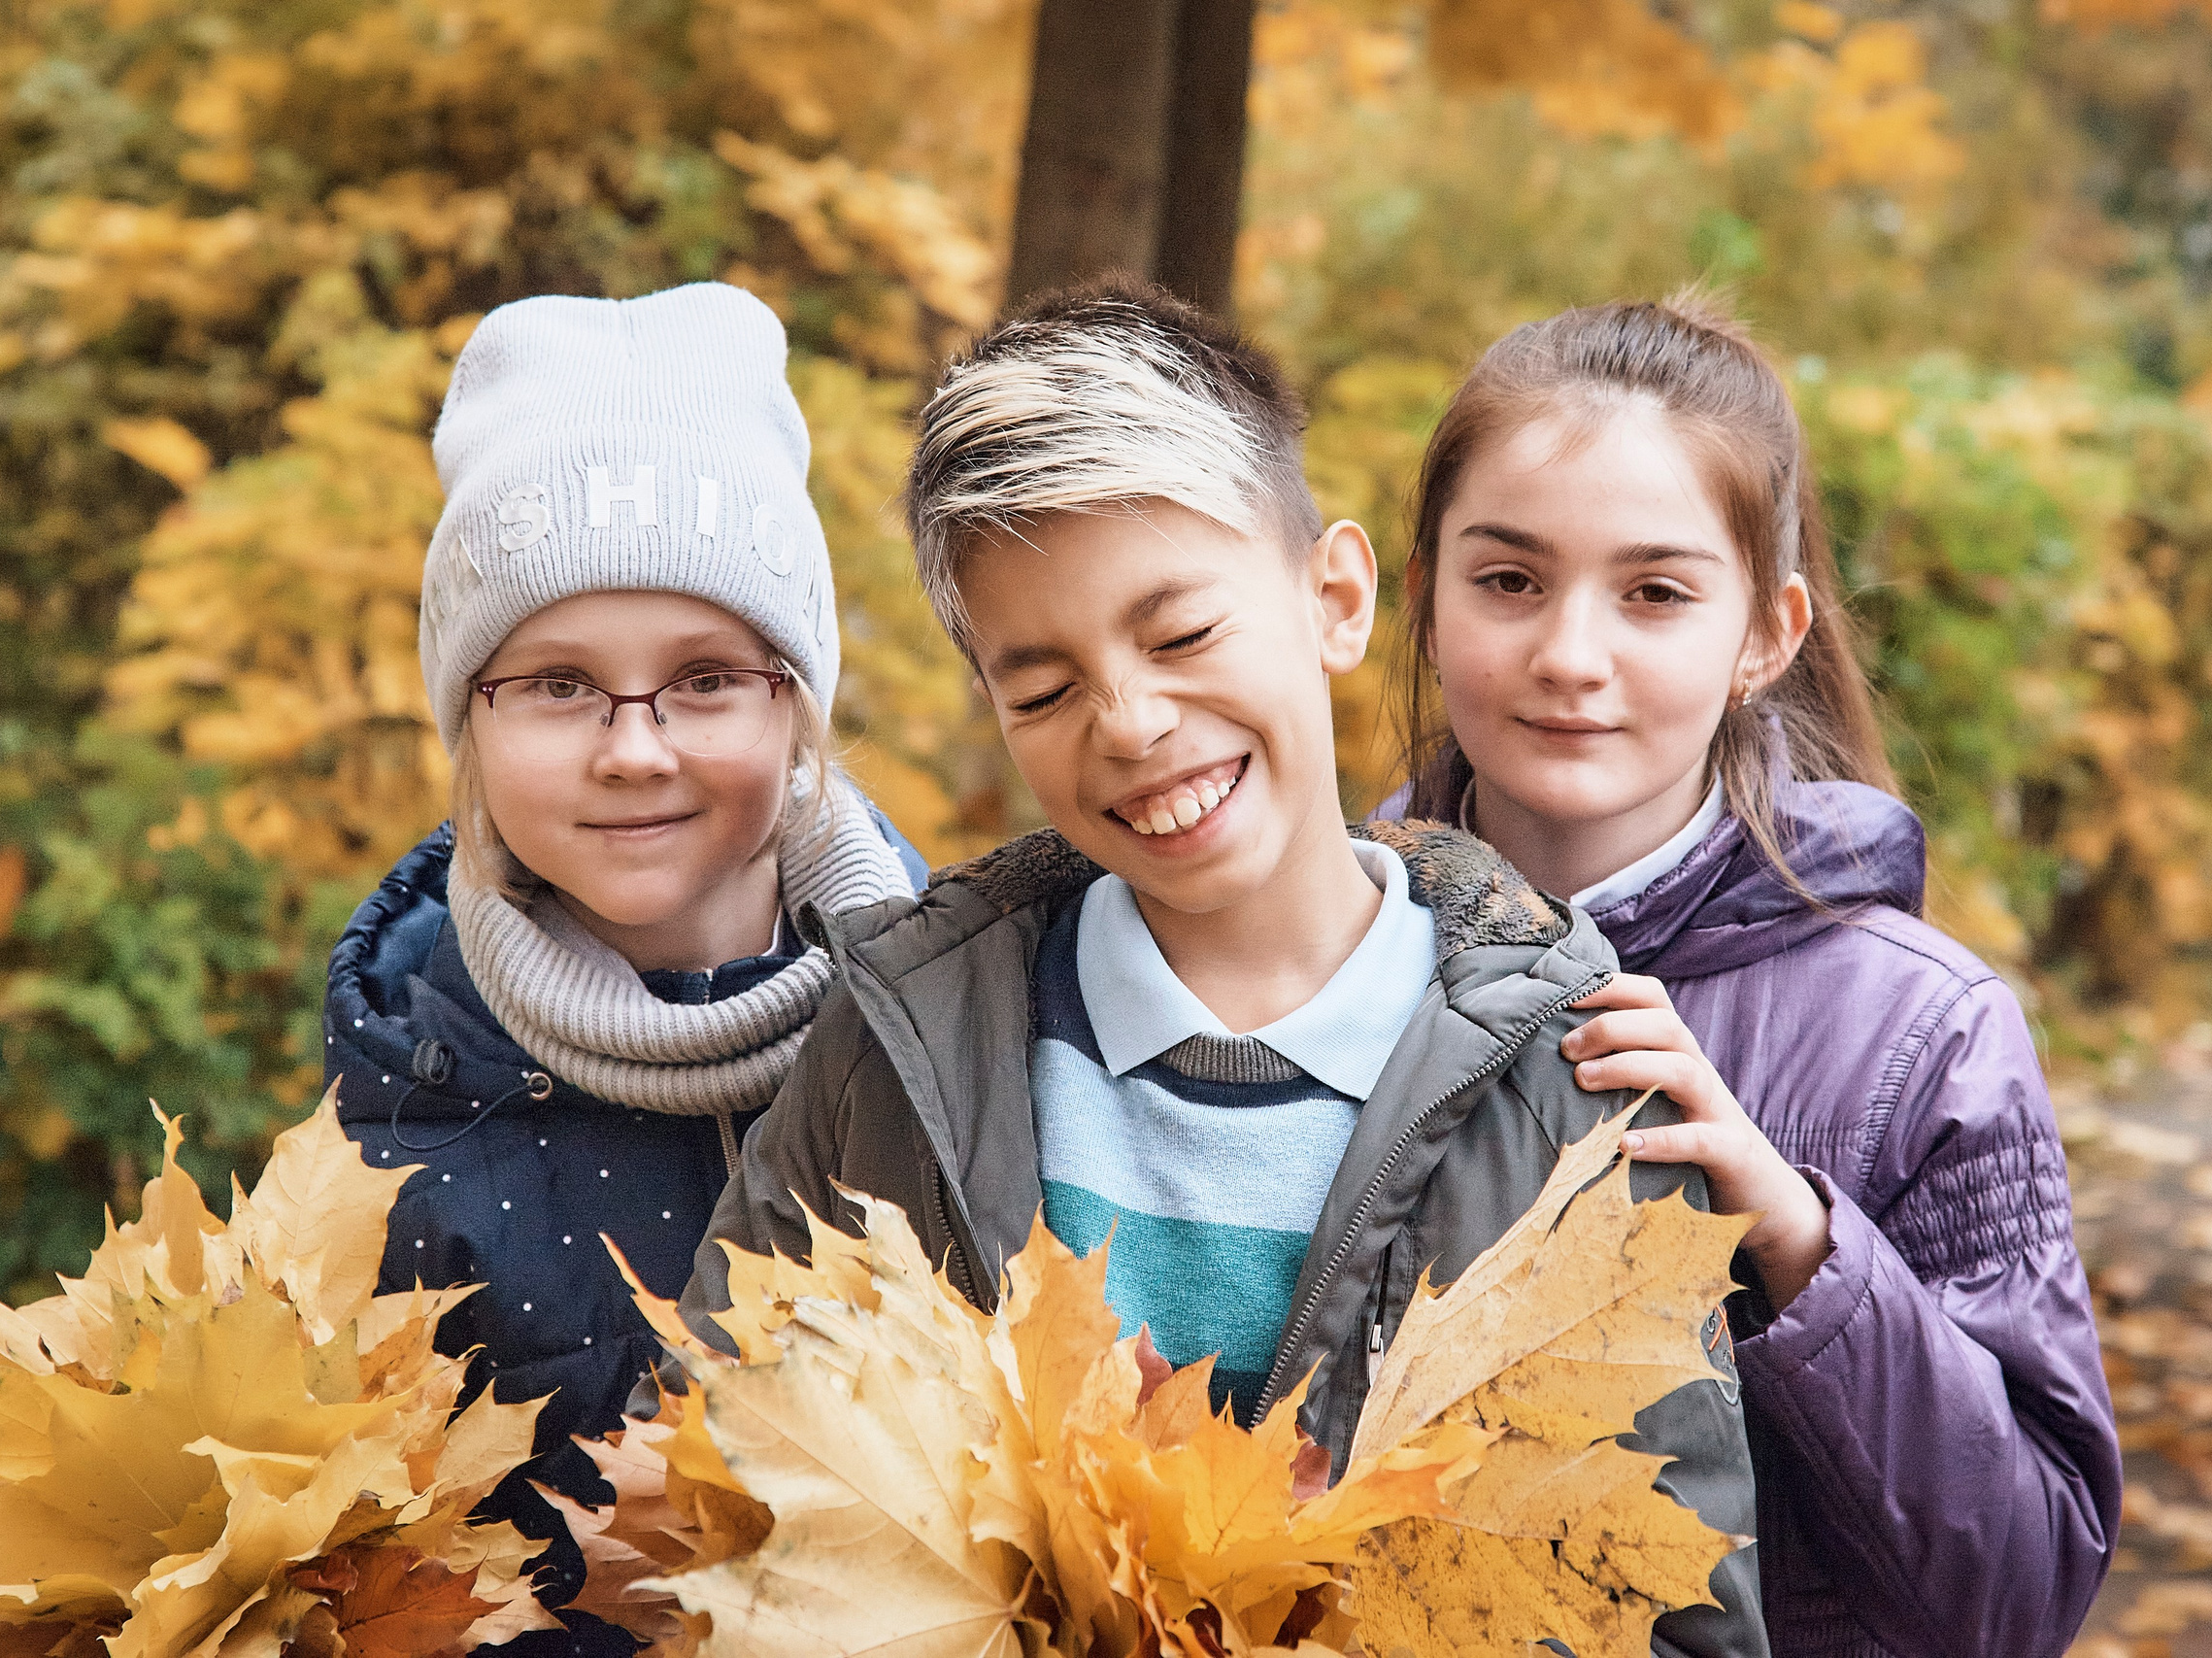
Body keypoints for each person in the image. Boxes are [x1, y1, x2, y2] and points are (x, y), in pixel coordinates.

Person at [678, 279, 1769, 1658]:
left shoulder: (1571, 1081)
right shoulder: (908, 1045)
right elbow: (733, 1504)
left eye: (1182, 635)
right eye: (1044, 686)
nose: (1131, 722)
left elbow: (1666, 1608)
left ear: (1337, 599)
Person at [1375, 293, 2121, 1658]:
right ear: (1422, 596)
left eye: (1654, 593)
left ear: (1765, 637)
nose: (1569, 655)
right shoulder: (1308, 961)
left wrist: (1800, 1246)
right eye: (1509, 580)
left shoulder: (1920, 1035)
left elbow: (2019, 1599)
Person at [321, 286, 924, 1658]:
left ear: (796, 702)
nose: (635, 748)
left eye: (706, 677)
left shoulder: (964, 1031)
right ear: (469, 717)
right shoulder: (402, 1115)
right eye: (557, 683)